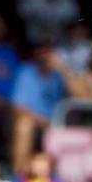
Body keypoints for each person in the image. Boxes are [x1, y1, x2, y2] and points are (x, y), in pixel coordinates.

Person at [11, 44, 67, 174]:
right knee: (23, 126)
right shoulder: (25, 71)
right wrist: (44, 122)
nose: (46, 56)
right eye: (42, 51)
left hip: (58, 122)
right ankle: (19, 175)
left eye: (49, 52)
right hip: (35, 120)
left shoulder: (59, 75)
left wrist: (64, 69)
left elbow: (78, 95)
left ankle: (58, 180)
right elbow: (19, 108)